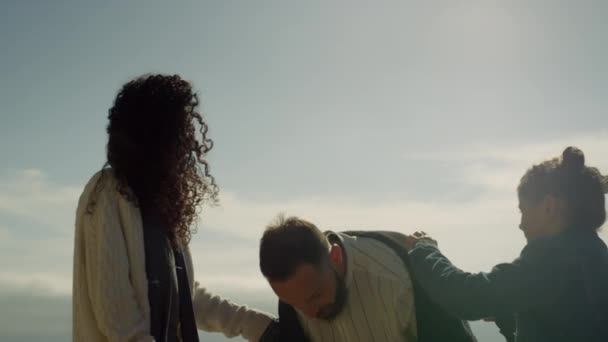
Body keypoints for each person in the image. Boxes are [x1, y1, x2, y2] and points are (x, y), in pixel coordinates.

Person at [73, 74, 275, 342]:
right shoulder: (107, 193)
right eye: (180, 132)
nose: (187, 144)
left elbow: (186, 298)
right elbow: (117, 317)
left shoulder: (159, 205)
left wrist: (261, 327)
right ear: (155, 134)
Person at [405, 146, 608, 342]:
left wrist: (424, 248)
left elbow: (465, 297)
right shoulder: (596, 254)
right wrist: (508, 312)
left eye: (523, 211)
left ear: (549, 207)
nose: (521, 225)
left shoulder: (556, 258)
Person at [258, 215, 477, 342]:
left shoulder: (398, 275)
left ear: (335, 257)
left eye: (315, 296)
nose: (310, 314)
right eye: (295, 304)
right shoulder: (296, 293)